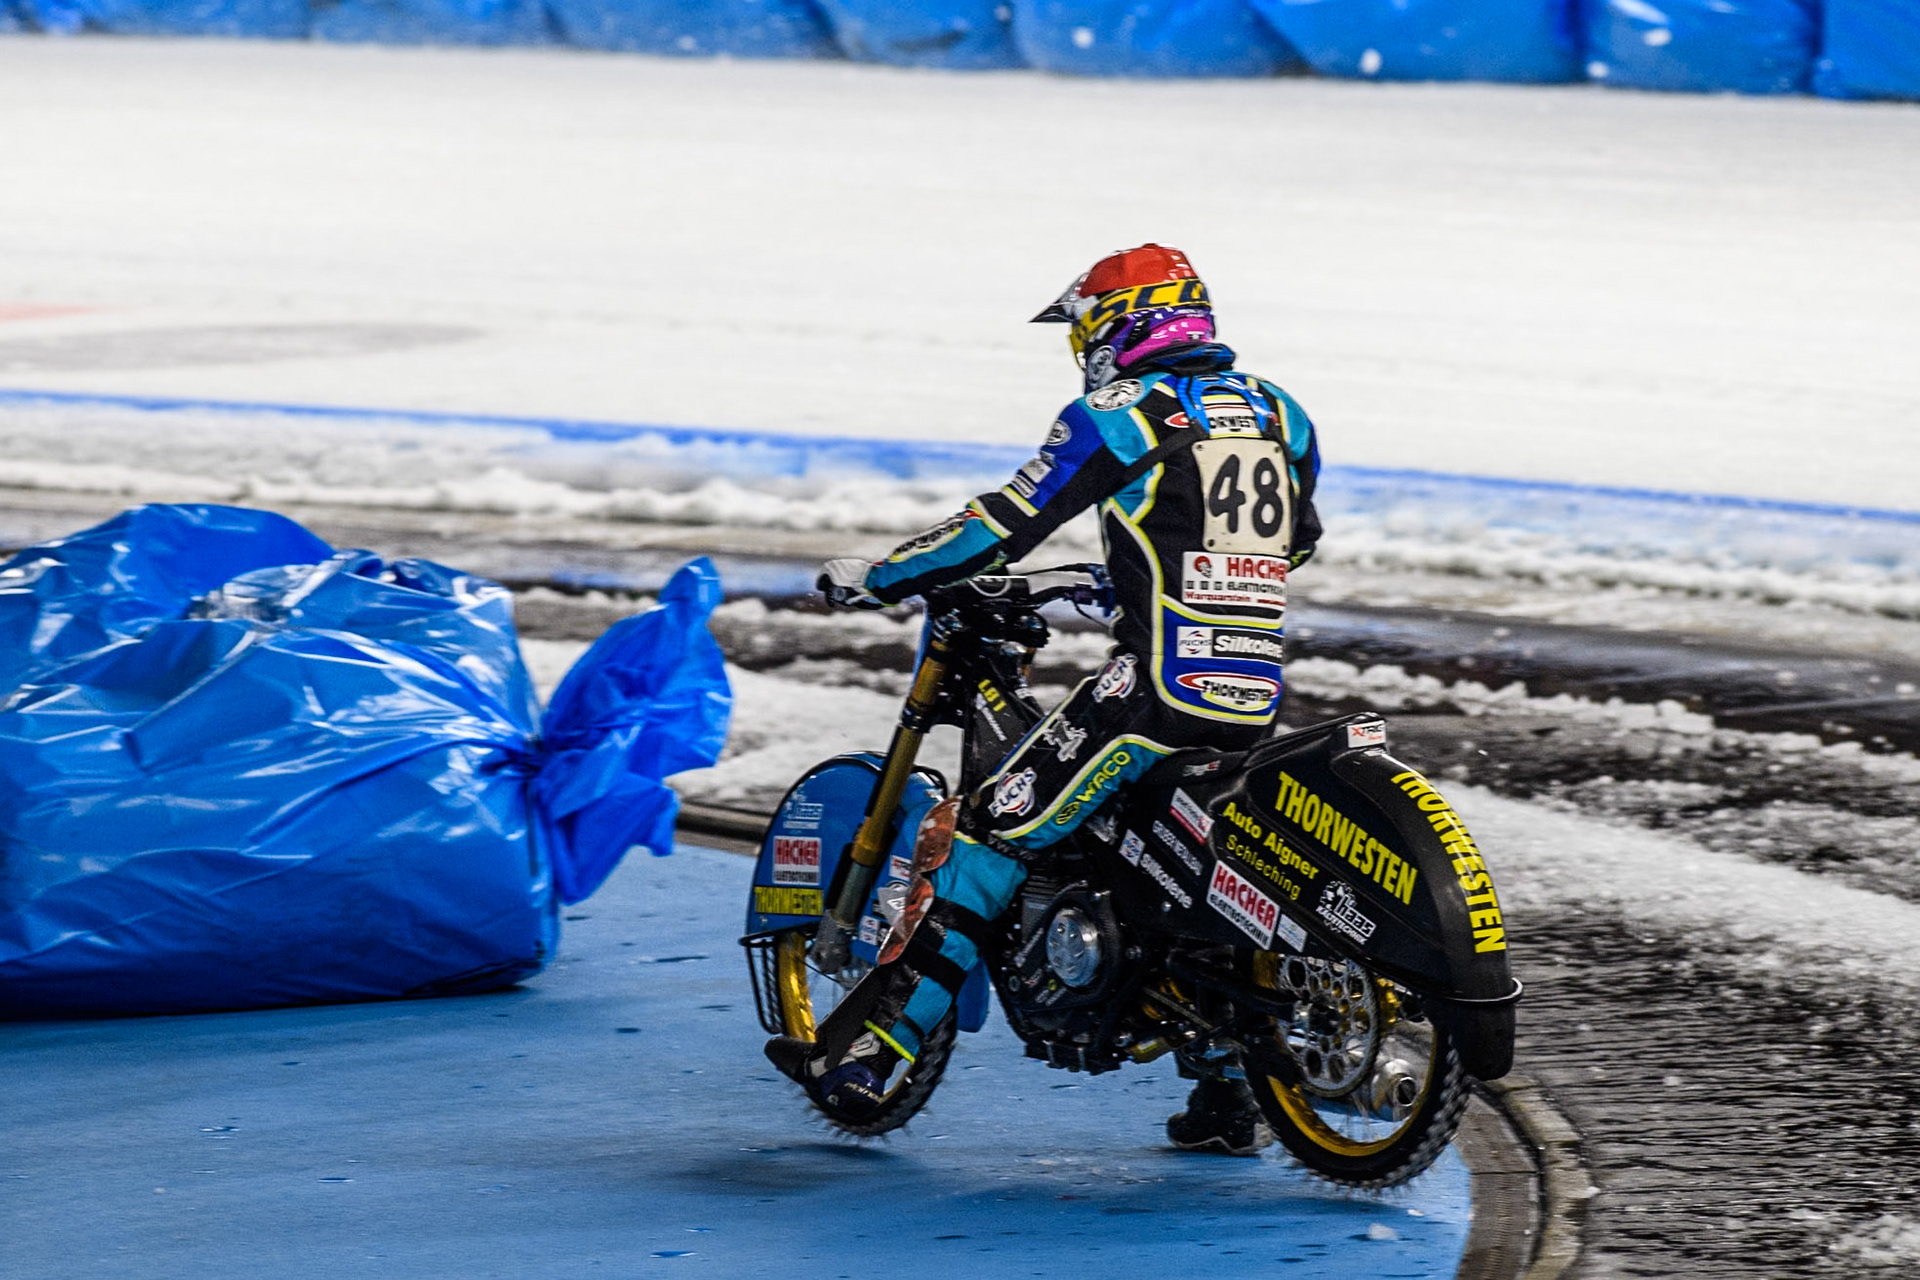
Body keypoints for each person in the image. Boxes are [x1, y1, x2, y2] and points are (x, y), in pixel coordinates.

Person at [766, 244, 1322, 1156]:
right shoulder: (1278, 412)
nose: (1082, 352)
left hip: (1156, 691)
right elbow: (1291, 543)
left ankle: (869, 1054)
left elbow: (1002, 523)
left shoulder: (1121, 412)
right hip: (1252, 690)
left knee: (992, 826)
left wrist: (883, 575)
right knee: (1187, 865)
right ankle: (1226, 1097)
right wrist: (1132, 574)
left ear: (1118, 326)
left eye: (1084, 332)